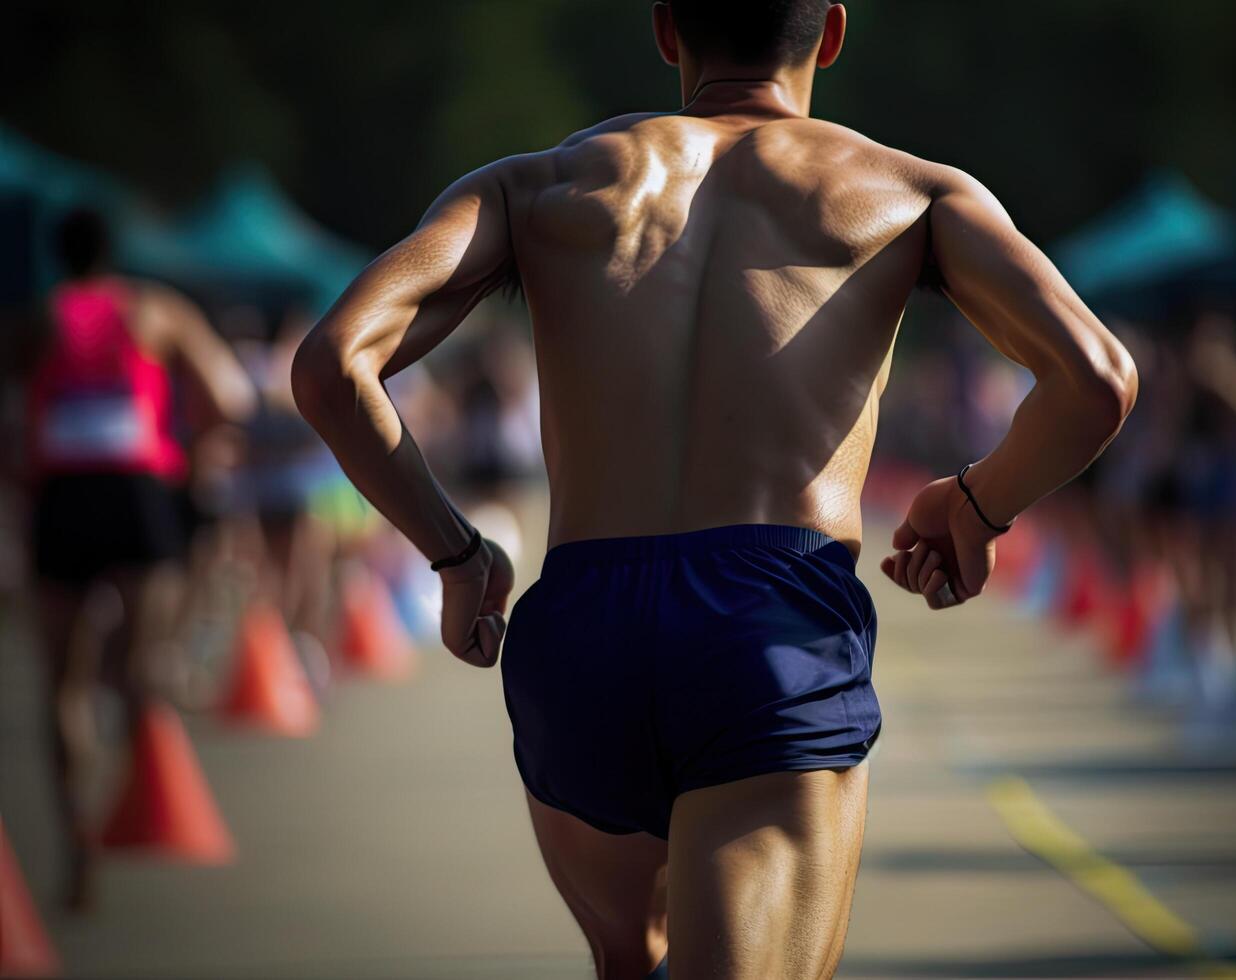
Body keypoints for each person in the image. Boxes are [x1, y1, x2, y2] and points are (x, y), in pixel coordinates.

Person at [291, 2, 1137, 976]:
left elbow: (331, 367)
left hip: (581, 628)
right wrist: (978, 503)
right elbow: (1097, 380)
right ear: (830, 35)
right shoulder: (912, 192)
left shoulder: (533, 185)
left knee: (628, 954)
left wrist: (455, 550)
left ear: (666, 32)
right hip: (767, 623)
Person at [26, 208, 255, 909]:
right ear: (115, 254)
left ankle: (77, 838)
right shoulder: (154, 310)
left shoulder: (33, 322)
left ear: (56, 257)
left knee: (62, 683)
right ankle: (141, 803)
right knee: (137, 667)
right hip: (136, 491)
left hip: (60, 495)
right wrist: (189, 454)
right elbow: (230, 397)